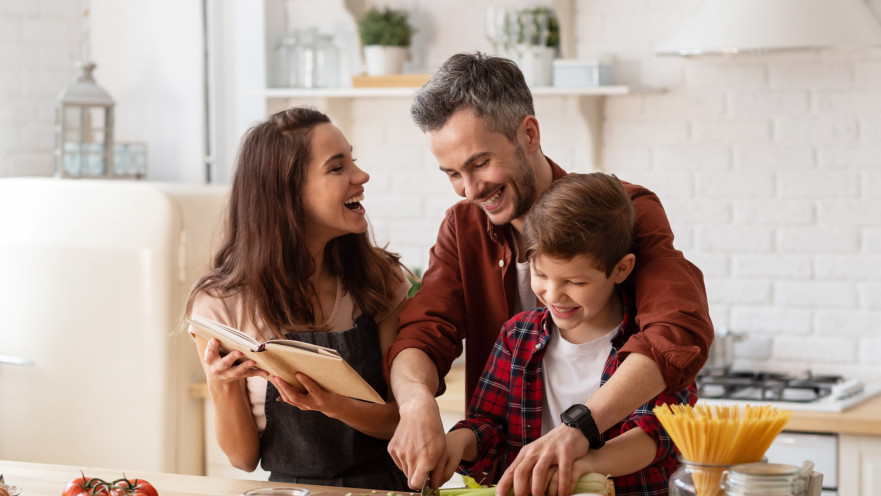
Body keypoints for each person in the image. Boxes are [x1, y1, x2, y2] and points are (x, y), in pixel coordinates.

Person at [384, 52, 714, 496]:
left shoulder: (624, 211)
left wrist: (580, 431)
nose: (470, 189)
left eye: (480, 163)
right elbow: (423, 332)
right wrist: (416, 402)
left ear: (529, 133)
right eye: (452, 174)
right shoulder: (462, 227)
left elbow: (677, 329)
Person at [184, 107, 411, 490]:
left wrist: (334, 405)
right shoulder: (219, 307)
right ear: (287, 193)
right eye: (337, 168)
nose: (361, 176)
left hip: (382, 487)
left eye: (352, 160)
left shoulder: (379, 281)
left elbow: (403, 421)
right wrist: (220, 384)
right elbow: (243, 458)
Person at [443, 173, 697, 496]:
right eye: (541, 273)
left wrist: (583, 465)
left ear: (621, 269)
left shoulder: (652, 347)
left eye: (575, 283)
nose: (554, 295)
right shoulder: (516, 336)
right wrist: (455, 443)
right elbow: (487, 424)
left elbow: (655, 435)